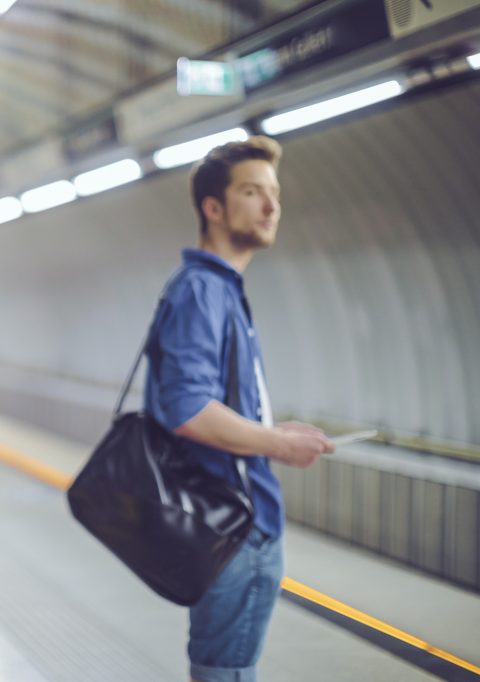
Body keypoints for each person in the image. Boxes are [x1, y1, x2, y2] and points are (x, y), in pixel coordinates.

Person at [143, 136, 334, 682]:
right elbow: (187, 408)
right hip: (234, 524)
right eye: (253, 192)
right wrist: (277, 444)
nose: (272, 206)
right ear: (213, 207)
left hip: (231, 520)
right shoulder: (204, 291)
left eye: (274, 193)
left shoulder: (218, 290)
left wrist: (272, 430)